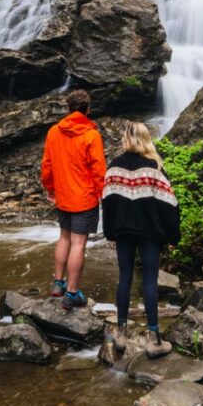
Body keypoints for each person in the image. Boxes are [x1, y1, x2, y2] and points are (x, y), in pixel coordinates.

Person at [101, 121, 180, 359]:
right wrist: (172, 236)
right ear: (146, 139)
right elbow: (169, 206)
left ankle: (122, 333)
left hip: (123, 231)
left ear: (126, 139)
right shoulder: (154, 167)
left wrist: (110, 233)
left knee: (124, 277)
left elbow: (108, 203)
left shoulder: (114, 167)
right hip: (150, 233)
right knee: (149, 281)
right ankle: (154, 338)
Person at [40, 88, 106, 311]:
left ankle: (58, 283)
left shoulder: (53, 132)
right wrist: (102, 193)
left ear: (68, 109)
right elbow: (98, 169)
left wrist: (50, 188)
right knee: (78, 244)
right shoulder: (91, 135)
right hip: (84, 198)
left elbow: (47, 165)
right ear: (87, 110)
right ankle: (72, 293)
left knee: (64, 238)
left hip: (63, 196)